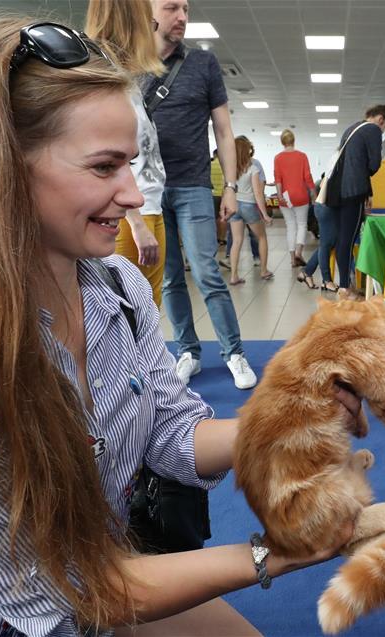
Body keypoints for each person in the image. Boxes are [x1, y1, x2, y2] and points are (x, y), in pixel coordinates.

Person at [0, 18, 359, 636]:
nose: (132, 194)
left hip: (106, 578)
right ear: (0, 169)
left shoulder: (117, 288)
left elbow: (172, 434)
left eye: (133, 162)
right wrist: (273, 553)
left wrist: (292, 416)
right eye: (104, 167)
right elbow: (74, 591)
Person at [149, 0, 256, 389]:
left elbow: (224, 131)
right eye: (172, 8)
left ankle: (235, 353)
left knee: (208, 272)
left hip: (194, 185)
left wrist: (229, 186)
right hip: (147, 189)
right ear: (149, 12)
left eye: (187, 10)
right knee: (170, 278)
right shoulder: (129, 66)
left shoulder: (203, 65)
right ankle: (188, 351)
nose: (182, 17)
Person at [85, 0, 166, 310]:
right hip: (129, 213)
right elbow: (109, 161)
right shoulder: (103, 80)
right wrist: (137, 224)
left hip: (151, 204)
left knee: (150, 309)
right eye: (151, 23)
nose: (152, 32)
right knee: (126, 312)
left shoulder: (127, 82)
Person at [328, 104, 385, 294]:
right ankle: (344, 286)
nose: (384, 129)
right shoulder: (373, 130)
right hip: (354, 191)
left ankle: (344, 283)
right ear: (381, 119)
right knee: (349, 240)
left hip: (337, 192)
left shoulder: (351, 128)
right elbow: (374, 164)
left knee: (342, 238)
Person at [229, 137, 273, 285]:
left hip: (234, 205)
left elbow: (227, 188)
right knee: (261, 237)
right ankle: (264, 270)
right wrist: (265, 214)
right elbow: (258, 193)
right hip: (248, 205)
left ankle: (234, 276)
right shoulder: (253, 168)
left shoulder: (231, 168)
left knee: (236, 241)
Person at [274, 129, 316, 267]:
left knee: (290, 226)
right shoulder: (302, 156)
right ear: (293, 141)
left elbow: (278, 179)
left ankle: (292, 259)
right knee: (302, 224)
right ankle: (299, 252)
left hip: (285, 197)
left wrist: (279, 194)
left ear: (282, 142)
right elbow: (307, 177)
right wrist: (313, 193)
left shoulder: (278, 158)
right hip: (300, 195)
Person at [299, 175, 339, 292]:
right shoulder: (338, 165)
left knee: (328, 243)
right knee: (326, 244)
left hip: (325, 205)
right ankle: (326, 281)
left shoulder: (335, 165)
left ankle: (307, 272)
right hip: (326, 206)